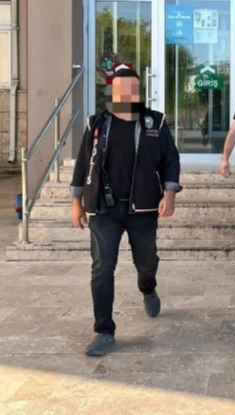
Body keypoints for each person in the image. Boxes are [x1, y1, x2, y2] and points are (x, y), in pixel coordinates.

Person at [70, 68, 182, 357]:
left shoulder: (154, 122)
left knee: (147, 261)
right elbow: (83, 162)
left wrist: (169, 192)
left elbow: (170, 159)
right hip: (104, 209)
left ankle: (148, 288)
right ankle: (104, 331)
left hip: (142, 207)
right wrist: (76, 201)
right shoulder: (96, 123)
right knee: (102, 268)